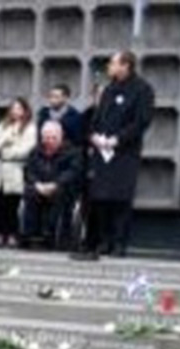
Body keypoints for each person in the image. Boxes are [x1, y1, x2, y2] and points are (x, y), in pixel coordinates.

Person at [77, 51, 154, 258]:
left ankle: (119, 243)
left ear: (125, 65)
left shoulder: (142, 89)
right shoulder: (110, 88)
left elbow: (141, 122)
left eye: (113, 63)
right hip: (102, 151)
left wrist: (117, 139)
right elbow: (98, 115)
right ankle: (104, 241)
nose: (109, 67)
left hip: (124, 153)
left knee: (120, 199)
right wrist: (93, 135)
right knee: (100, 198)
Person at [21, 120, 82, 248]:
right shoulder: (35, 152)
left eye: (53, 138)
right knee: (30, 193)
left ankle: (49, 234)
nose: (49, 141)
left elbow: (73, 172)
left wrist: (55, 184)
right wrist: (37, 184)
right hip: (40, 186)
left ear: (60, 137)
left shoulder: (72, 152)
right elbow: (28, 171)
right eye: (46, 137)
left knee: (59, 196)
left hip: (62, 188)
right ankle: (29, 234)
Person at [0, 98, 37, 246]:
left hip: (15, 169)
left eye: (19, 108)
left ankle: (12, 234)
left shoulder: (30, 128)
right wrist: (4, 142)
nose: (16, 111)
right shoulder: (2, 126)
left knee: (12, 204)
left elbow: (26, 149)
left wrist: (7, 152)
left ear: (25, 111)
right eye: (13, 108)